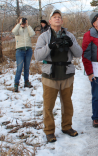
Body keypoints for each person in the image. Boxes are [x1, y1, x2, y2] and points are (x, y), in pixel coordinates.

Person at [34, 9, 83, 142]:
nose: (57, 19)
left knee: (67, 104)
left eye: (59, 17)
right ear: (50, 21)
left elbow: (79, 53)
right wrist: (50, 46)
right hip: (50, 76)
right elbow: (37, 55)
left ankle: (67, 127)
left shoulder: (69, 35)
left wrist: (71, 44)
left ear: (62, 21)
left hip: (67, 74)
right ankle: (49, 131)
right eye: (54, 17)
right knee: (48, 105)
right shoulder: (43, 37)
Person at [12, 17, 35, 92]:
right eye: (22, 21)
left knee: (26, 68)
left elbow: (32, 34)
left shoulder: (27, 28)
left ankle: (26, 82)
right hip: (20, 51)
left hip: (28, 50)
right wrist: (19, 23)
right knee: (19, 68)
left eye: (24, 21)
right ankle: (16, 84)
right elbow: (14, 32)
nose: (23, 22)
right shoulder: (17, 29)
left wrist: (28, 25)